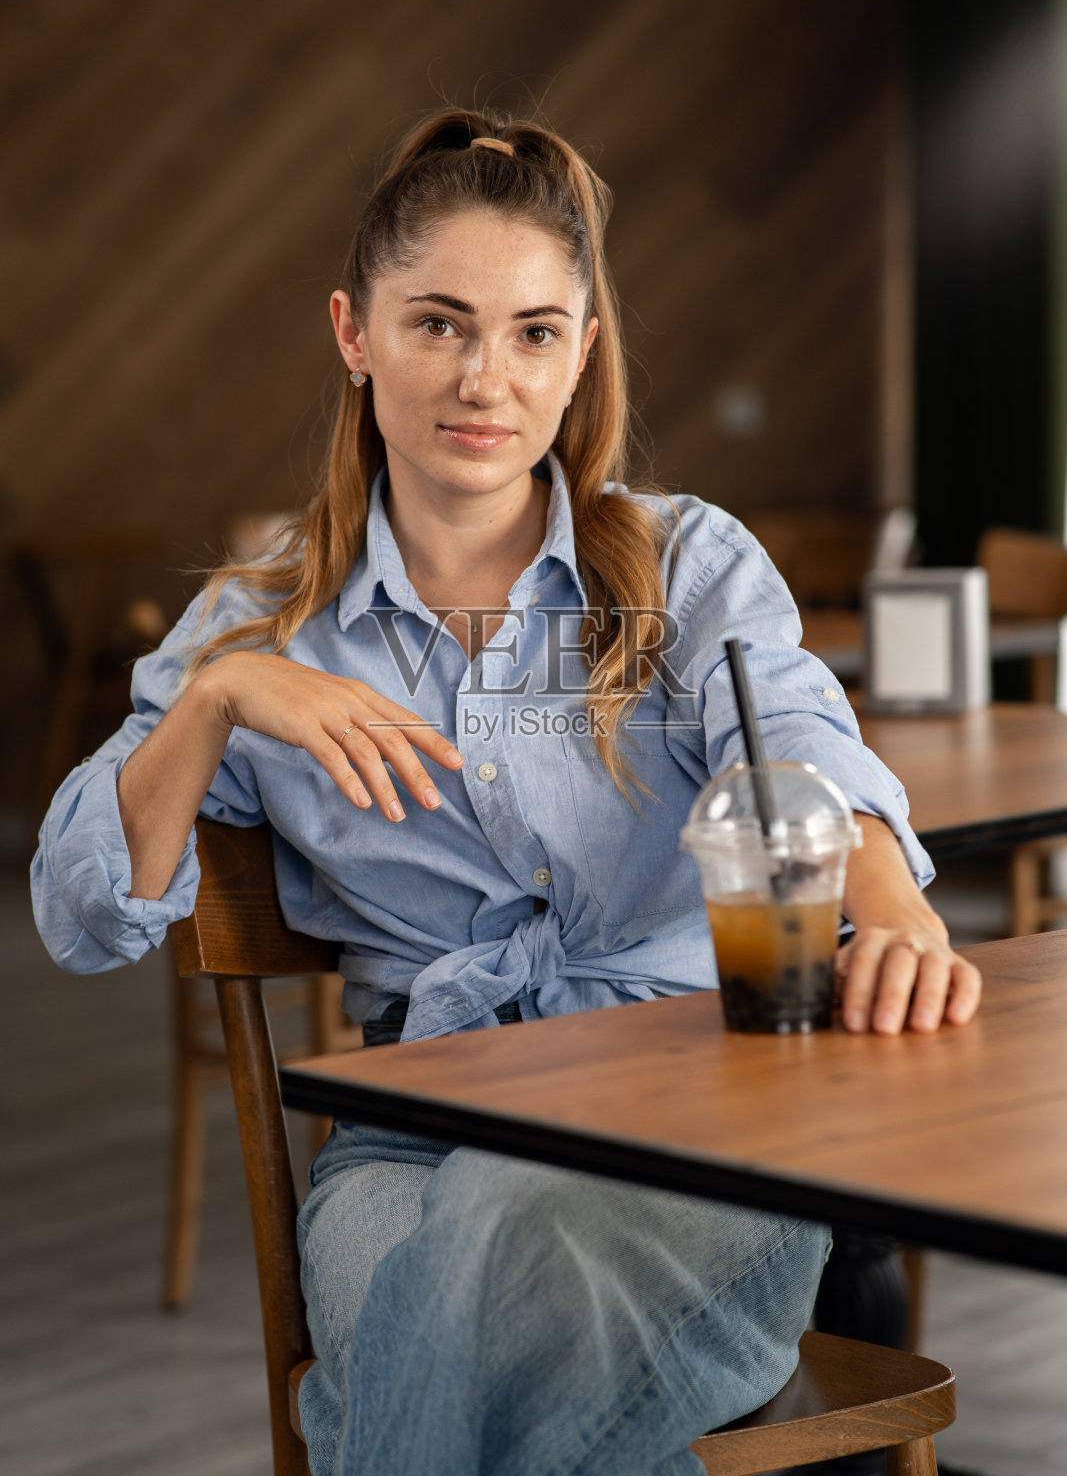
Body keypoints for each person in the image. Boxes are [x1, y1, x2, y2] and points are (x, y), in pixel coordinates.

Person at [32, 107, 981, 1476]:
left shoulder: (689, 565)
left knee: (454, 1297)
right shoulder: (258, 624)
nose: (487, 377)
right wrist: (217, 701)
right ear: (355, 334)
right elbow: (79, 915)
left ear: (581, 353)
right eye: (439, 324)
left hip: (701, 1138)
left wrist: (891, 912)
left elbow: (801, 750)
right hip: (405, 1155)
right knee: (475, 1245)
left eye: (535, 332)